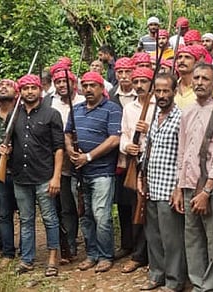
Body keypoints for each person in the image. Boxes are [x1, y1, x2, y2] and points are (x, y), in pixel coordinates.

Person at [173, 63, 213, 291]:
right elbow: (182, 151)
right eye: (196, 78)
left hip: (209, 186)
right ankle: (197, 282)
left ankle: (210, 286)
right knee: (192, 237)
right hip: (188, 183)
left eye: (205, 79)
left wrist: (207, 190)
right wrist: (179, 186)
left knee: (212, 239)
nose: (199, 82)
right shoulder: (186, 111)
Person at [0, 74, 64, 276]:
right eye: (25, 88)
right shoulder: (13, 116)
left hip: (44, 175)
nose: (29, 92)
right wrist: (5, 151)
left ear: (40, 90)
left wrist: (56, 177)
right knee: (26, 220)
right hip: (20, 176)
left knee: (50, 218)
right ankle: (27, 259)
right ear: (21, 92)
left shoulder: (52, 114)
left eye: (33, 88)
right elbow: (10, 145)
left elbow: (59, 149)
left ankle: (53, 258)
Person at [66, 71, 122, 273]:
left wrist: (88, 157)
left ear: (101, 88)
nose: (88, 89)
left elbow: (114, 139)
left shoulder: (112, 109)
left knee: (101, 216)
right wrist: (70, 150)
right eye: (85, 85)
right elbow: (67, 133)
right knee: (85, 215)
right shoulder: (77, 109)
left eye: (93, 85)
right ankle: (92, 254)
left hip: (101, 172)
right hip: (79, 173)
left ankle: (106, 255)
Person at [137, 73, 187, 291]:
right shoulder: (154, 115)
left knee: (172, 238)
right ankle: (157, 274)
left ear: (174, 92)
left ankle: (175, 280)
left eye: (166, 91)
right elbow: (147, 148)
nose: (161, 95)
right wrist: (141, 175)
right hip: (151, 185)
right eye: (158, 91)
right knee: (153, 236)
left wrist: (179, 187)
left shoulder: (181, 118)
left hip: (169, 188)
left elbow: (184, 155)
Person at [116, 67, 156, 273]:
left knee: (156, 212)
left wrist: (150, 130)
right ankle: (139, 255)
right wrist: (126, 146)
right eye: (136, 81)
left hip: (157, 163)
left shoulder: (159, 105)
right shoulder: (129, 108)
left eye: (144, 81)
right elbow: (124, 133)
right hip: (136, 162)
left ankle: (156, 257)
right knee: (137, 209)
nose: (140, 85)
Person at [49, 63, 86, 264]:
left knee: (86, 205)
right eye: (58, 82)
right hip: (61, 164)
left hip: (83, 162)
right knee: (66, 207)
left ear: (73, 82)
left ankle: (92, 246)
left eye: (65, 81)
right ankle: (69, 244)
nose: (62, 85)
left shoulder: (82, 100)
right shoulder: (50, 103)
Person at [173, 45, 202, 109]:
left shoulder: (203, 87)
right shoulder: (172, 87)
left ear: (196, 62)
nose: (182, 60)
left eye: (187, 57)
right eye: (179, 57)